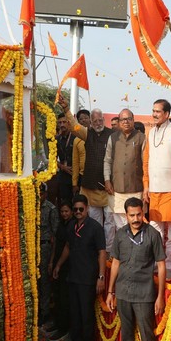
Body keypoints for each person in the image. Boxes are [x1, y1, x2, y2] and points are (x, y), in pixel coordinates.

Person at [106, 198, 166, 341]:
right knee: (126, 335)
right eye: (132, 215)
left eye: (139, 214)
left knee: (147, 338)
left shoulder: (153, 235)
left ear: (143, 213)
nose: (136, 219)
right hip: (123, 292)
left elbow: (161, 267)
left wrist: (160, 296)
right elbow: (116, 263)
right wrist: (111, 292)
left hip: (143, 295)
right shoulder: (120, 234)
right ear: (126, 215)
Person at [53, 194, 106, 341]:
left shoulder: (95, 227)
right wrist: (59, 265)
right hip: (73, 277)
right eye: (75, 209)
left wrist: (101, 277)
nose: (77, 212)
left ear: (87, 208)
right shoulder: (71, 226)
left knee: (86, 315)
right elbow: (68, 246)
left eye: (80, 209)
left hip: (88, 279)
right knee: (74, 313)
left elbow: (102, 253)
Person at [60, 96, 115, 253]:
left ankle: (109, 252)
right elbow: (74, 127)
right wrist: (66, 109)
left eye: (100, 120)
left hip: (108, 187)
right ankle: (96, 250)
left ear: (104, 120)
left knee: (110, 223)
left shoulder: (112, 135)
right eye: (95, 121)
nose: (98, 123)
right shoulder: (87, 134)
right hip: (90, 187)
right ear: (91, 122)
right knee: (95, 222)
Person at [143, 99, 171, 280]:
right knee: (155, 229)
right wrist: (145, 186)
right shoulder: (151, 132)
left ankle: (169, 267)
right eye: (153, 111)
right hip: (154, 188)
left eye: (158, 112)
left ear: (167, 114)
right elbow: (146, 162)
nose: (154, 114)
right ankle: (156, 264)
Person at [104, 109, 146, 231]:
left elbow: (145, 163)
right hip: (116, 189)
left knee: (136, 223)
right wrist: (107, 180)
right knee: (119, 226)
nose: (126, 122)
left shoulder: (141, 138)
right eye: (123, 119)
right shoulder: (113, 138)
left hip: (136, 188)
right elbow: (107, 160)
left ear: (133, 120)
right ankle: (123, 249)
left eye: (129, 119)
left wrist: (146, 186)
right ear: (119, 121)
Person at [48, 201, 73, 341]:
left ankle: (63, 328)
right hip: (57, 261)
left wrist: (58, 264)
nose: (64, 214)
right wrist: (52, 262)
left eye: (66, 211)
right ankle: (57, 324)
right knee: (56, 295)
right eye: (62, 211)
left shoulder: (72, 225)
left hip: (66, 265)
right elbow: (56, 244)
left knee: (64, 298)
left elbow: (67, 248)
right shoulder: (61, 225)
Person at [38, 183, 59, 325]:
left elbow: (55, 234)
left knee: (44, 281)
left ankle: (44, 312)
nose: (39, 196)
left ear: (45, 194)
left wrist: (52, 259)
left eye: (41, 193)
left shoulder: (51, 209)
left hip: (45, 247)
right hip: (33, 247)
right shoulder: (30, 206)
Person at [56, 113, 75, 205]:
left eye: (64, 122)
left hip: (75, 175)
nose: (62, 125)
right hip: (63, 176)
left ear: (69, 122)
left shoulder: (76, 137)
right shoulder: (56, 139)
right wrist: (62, 167)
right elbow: (52, 159)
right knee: (64, 203)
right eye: (60, 123)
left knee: (76, 202)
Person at [72, 109, 90, 195]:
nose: (83, 120)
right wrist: (74, 183)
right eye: (81, 119)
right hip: (82, 176)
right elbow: (75, 163)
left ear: (90, 119)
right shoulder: (76, 140)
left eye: (86, 118)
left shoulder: (97, 135)